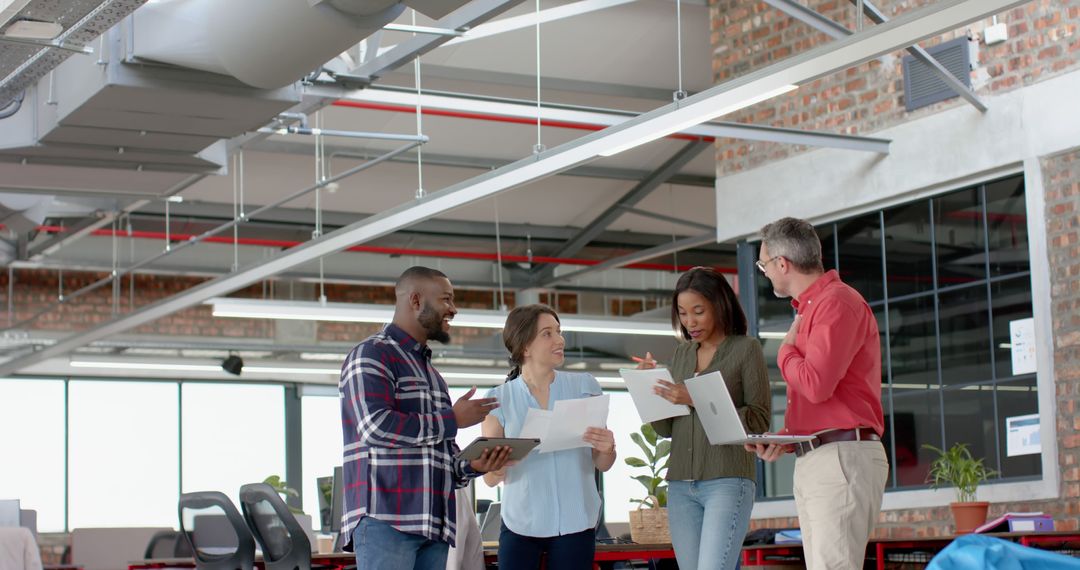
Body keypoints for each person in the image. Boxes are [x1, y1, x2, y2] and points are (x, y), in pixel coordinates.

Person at [339, 266, 512, 570]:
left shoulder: (432, 375)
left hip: (432, 524)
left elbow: (439, 455)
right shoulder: (371, 354)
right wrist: (452, 419)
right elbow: (375, 427)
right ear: (416, 300)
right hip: (387, 520)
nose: (453, 309)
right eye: (446, 299)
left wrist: (473, 464)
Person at [745, 217, 889, 570]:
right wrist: (786, 439)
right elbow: (824, 397)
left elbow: (815, 383)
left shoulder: (836, 303)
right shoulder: (812, 308)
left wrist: (784, 352)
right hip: (822, 455)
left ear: (783, 264)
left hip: (840, 457)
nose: (763, 272)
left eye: (763, 264)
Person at [639, 266, 771, 570]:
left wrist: (694, 397)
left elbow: (759, 419)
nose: (690, 321)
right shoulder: (683, 355)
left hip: (727, 480)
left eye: (698, 311)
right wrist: (649, 390)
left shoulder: (745, 349)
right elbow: (665, 428)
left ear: (719, 304)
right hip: (681, 485)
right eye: (683, 313)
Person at [480, 304, 617, 570]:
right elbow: (490, 478)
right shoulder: (497, 400)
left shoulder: (585, 387)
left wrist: (608, 448)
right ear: (525, 347)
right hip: (521, 523)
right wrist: (496, 466)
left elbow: (603, 463)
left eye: (558, 331)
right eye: (547, 333)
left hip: (576, 521)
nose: (560, 340)